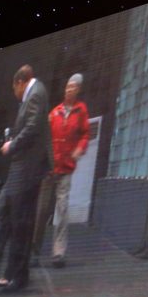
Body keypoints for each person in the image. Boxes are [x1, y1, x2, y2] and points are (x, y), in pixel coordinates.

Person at [0, 64, 52, 292]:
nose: (15, 94)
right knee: (6, 217)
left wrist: (12, 145)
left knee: (18, 222)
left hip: (26, 169)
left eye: (14, 88)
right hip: (22, 169)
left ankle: (11, 276)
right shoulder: (35, 94)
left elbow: (33, 127)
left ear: (20, 82)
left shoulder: (35, 93)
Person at [32, 73, 89, 268]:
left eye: (73, 87)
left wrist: (80, 148)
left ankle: (58, 253)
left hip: (65, 169)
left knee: (62, 210)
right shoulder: (55, 112)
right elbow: (44, 137)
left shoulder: (81, 111)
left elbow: (85, 134)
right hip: (49, 169)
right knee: (41, 211)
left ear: (78, 90)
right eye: (67, 87)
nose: (69, 90)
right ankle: (34, 251)